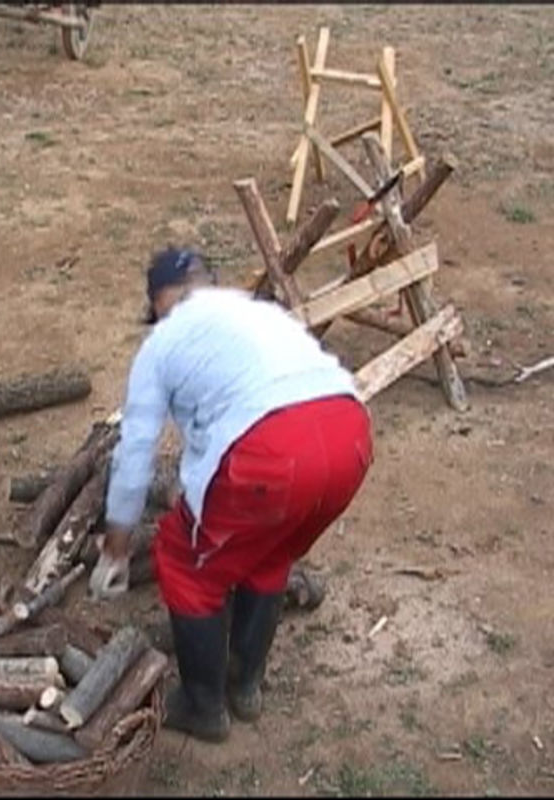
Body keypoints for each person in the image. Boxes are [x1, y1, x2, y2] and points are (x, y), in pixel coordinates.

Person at [89, 246, 373, 743]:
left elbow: (135, 452)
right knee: (270, 549)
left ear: (158, 301)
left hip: (273, 453)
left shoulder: (163, 342)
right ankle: (246, 683)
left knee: (181, 559)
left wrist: (115, 548)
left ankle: (204, 705)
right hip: (349, 434)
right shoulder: (258, 310)